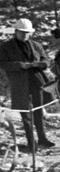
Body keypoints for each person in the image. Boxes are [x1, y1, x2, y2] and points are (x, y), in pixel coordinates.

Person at [0, 18, 56, 152]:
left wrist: (41, 64)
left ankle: (42, 139)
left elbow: (45, 59)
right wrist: (20, 65)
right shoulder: (6, 47)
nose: (25, 35)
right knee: (26, 115)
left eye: (27, 33)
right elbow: (2, 63)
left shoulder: (36, 45)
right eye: (22, 32)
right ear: (16, 31)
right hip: (19, 84)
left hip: (37, 82)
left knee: (38, 111)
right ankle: (32, 143)